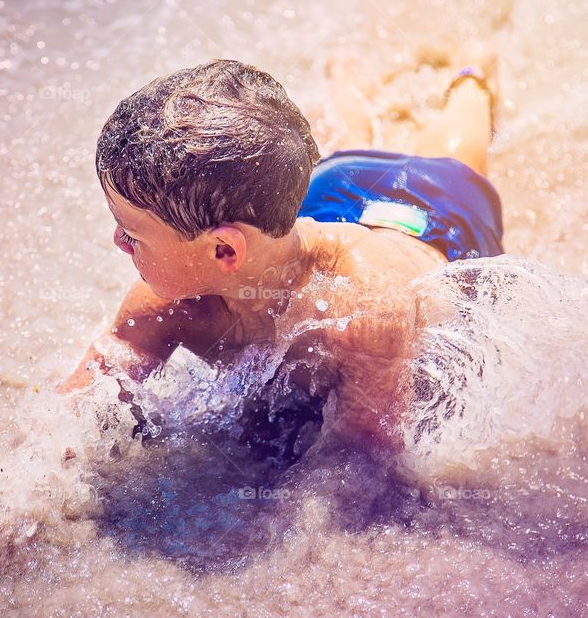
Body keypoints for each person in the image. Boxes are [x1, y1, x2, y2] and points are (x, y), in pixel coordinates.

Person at [59, 47, 504, 447]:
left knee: (455, 148)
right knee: (351, 145)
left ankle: (472, 78)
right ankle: (349, 85)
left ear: (224, 252)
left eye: (132, 234)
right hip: (332, 188)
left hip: (434, 213)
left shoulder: (364, 314)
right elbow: (75, 406)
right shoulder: (167, 307)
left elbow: (366, 461)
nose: (117, 241)